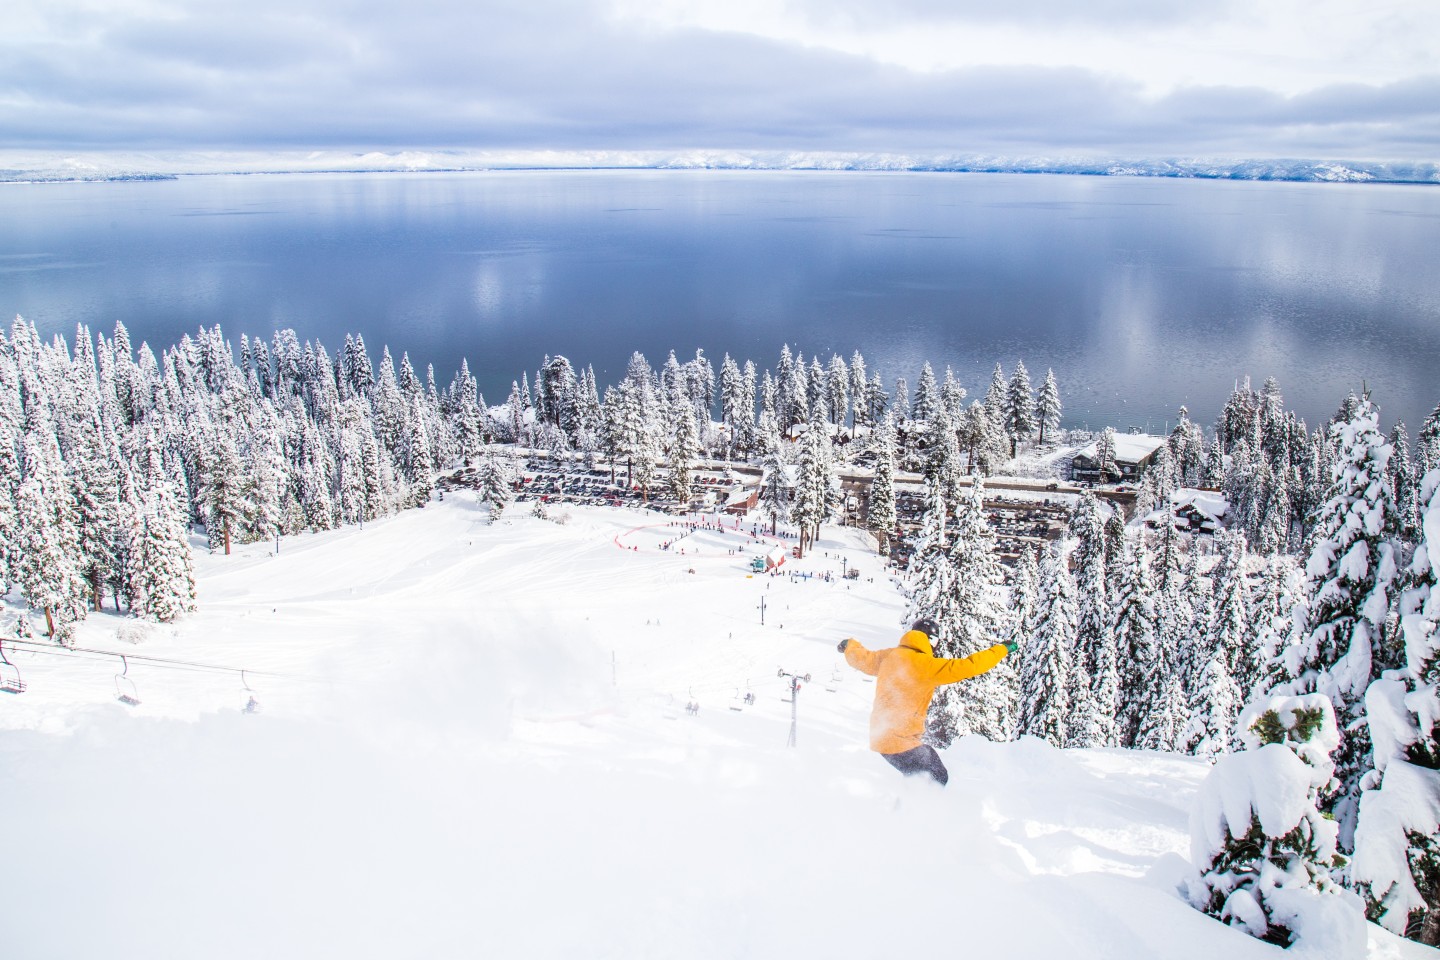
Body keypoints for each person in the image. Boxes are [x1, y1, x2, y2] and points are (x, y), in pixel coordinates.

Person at [838, 618, 1015, 786]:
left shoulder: (889, 656)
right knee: (936, 777)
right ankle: (916, 815)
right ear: (931, 640)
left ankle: (904, 812)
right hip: (900, 740)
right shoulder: (927, 665)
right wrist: (1001, 650)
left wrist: (850, 646)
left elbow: (864, 659)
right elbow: (970, 666)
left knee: (919, 779)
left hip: (881, 737)